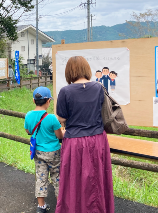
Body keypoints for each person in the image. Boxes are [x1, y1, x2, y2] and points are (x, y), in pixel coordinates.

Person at [55, 56, 114, 213]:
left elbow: (61, 118)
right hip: (97, 138)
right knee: (97, 179)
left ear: (69, 71)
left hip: (75, 141)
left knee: (74, 181)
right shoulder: (98, 87)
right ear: (86, 69)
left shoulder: (65, 91)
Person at [24, 86, 64, 213]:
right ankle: (60, 206)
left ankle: (41, 207)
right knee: (57, 177)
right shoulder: (52, 118)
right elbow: (59, 136)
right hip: (54, 153)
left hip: (39, 152)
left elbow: (28, 131)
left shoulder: (29, 115)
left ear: (33, 101)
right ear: (48, 101)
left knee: (41, 178)